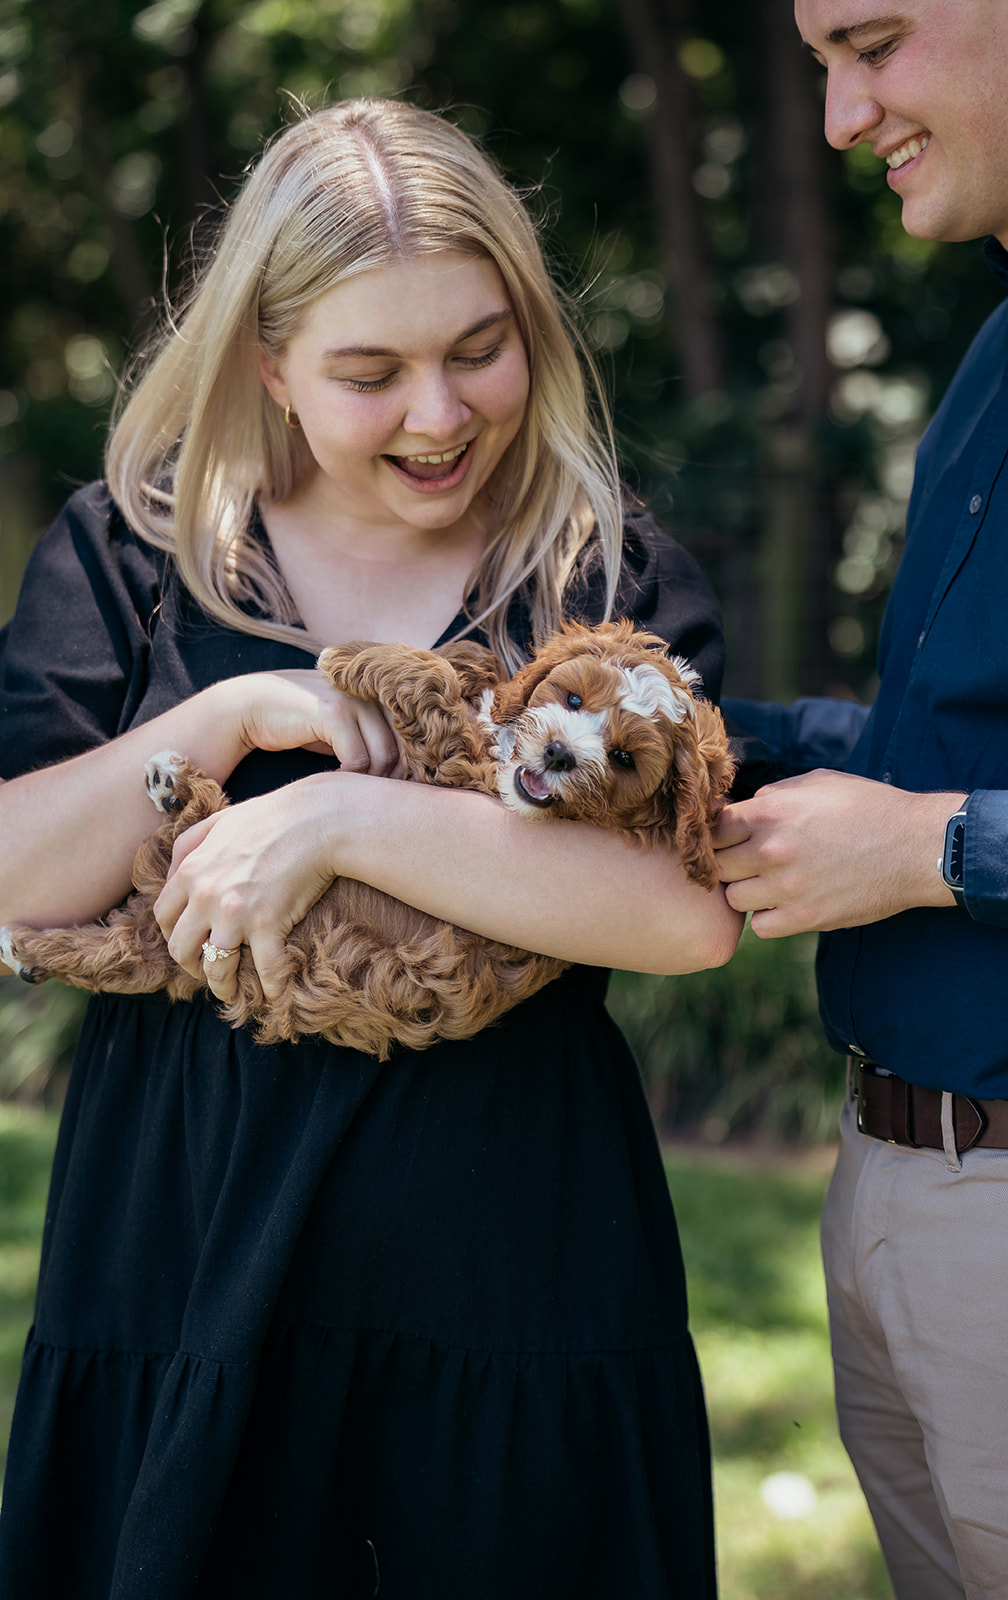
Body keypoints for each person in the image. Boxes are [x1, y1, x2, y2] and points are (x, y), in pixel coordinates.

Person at [0, 98, 743, 1599]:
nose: (438, 414)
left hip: (514, 1261)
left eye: (478, 348)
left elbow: (680, 914)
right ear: (267, 365)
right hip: (179, 1243)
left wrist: (341, 815)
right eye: (369, 371)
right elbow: (15, 878)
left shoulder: (597, 575)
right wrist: (217, 721)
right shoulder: (131, 560)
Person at [713, 3, 1008, 1597]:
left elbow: (944, 815)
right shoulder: (1005, 347)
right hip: (892, 1203)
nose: (847, 116)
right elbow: (976, 742)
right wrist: (709, 737)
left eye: (873, 43)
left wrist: (923, 851)